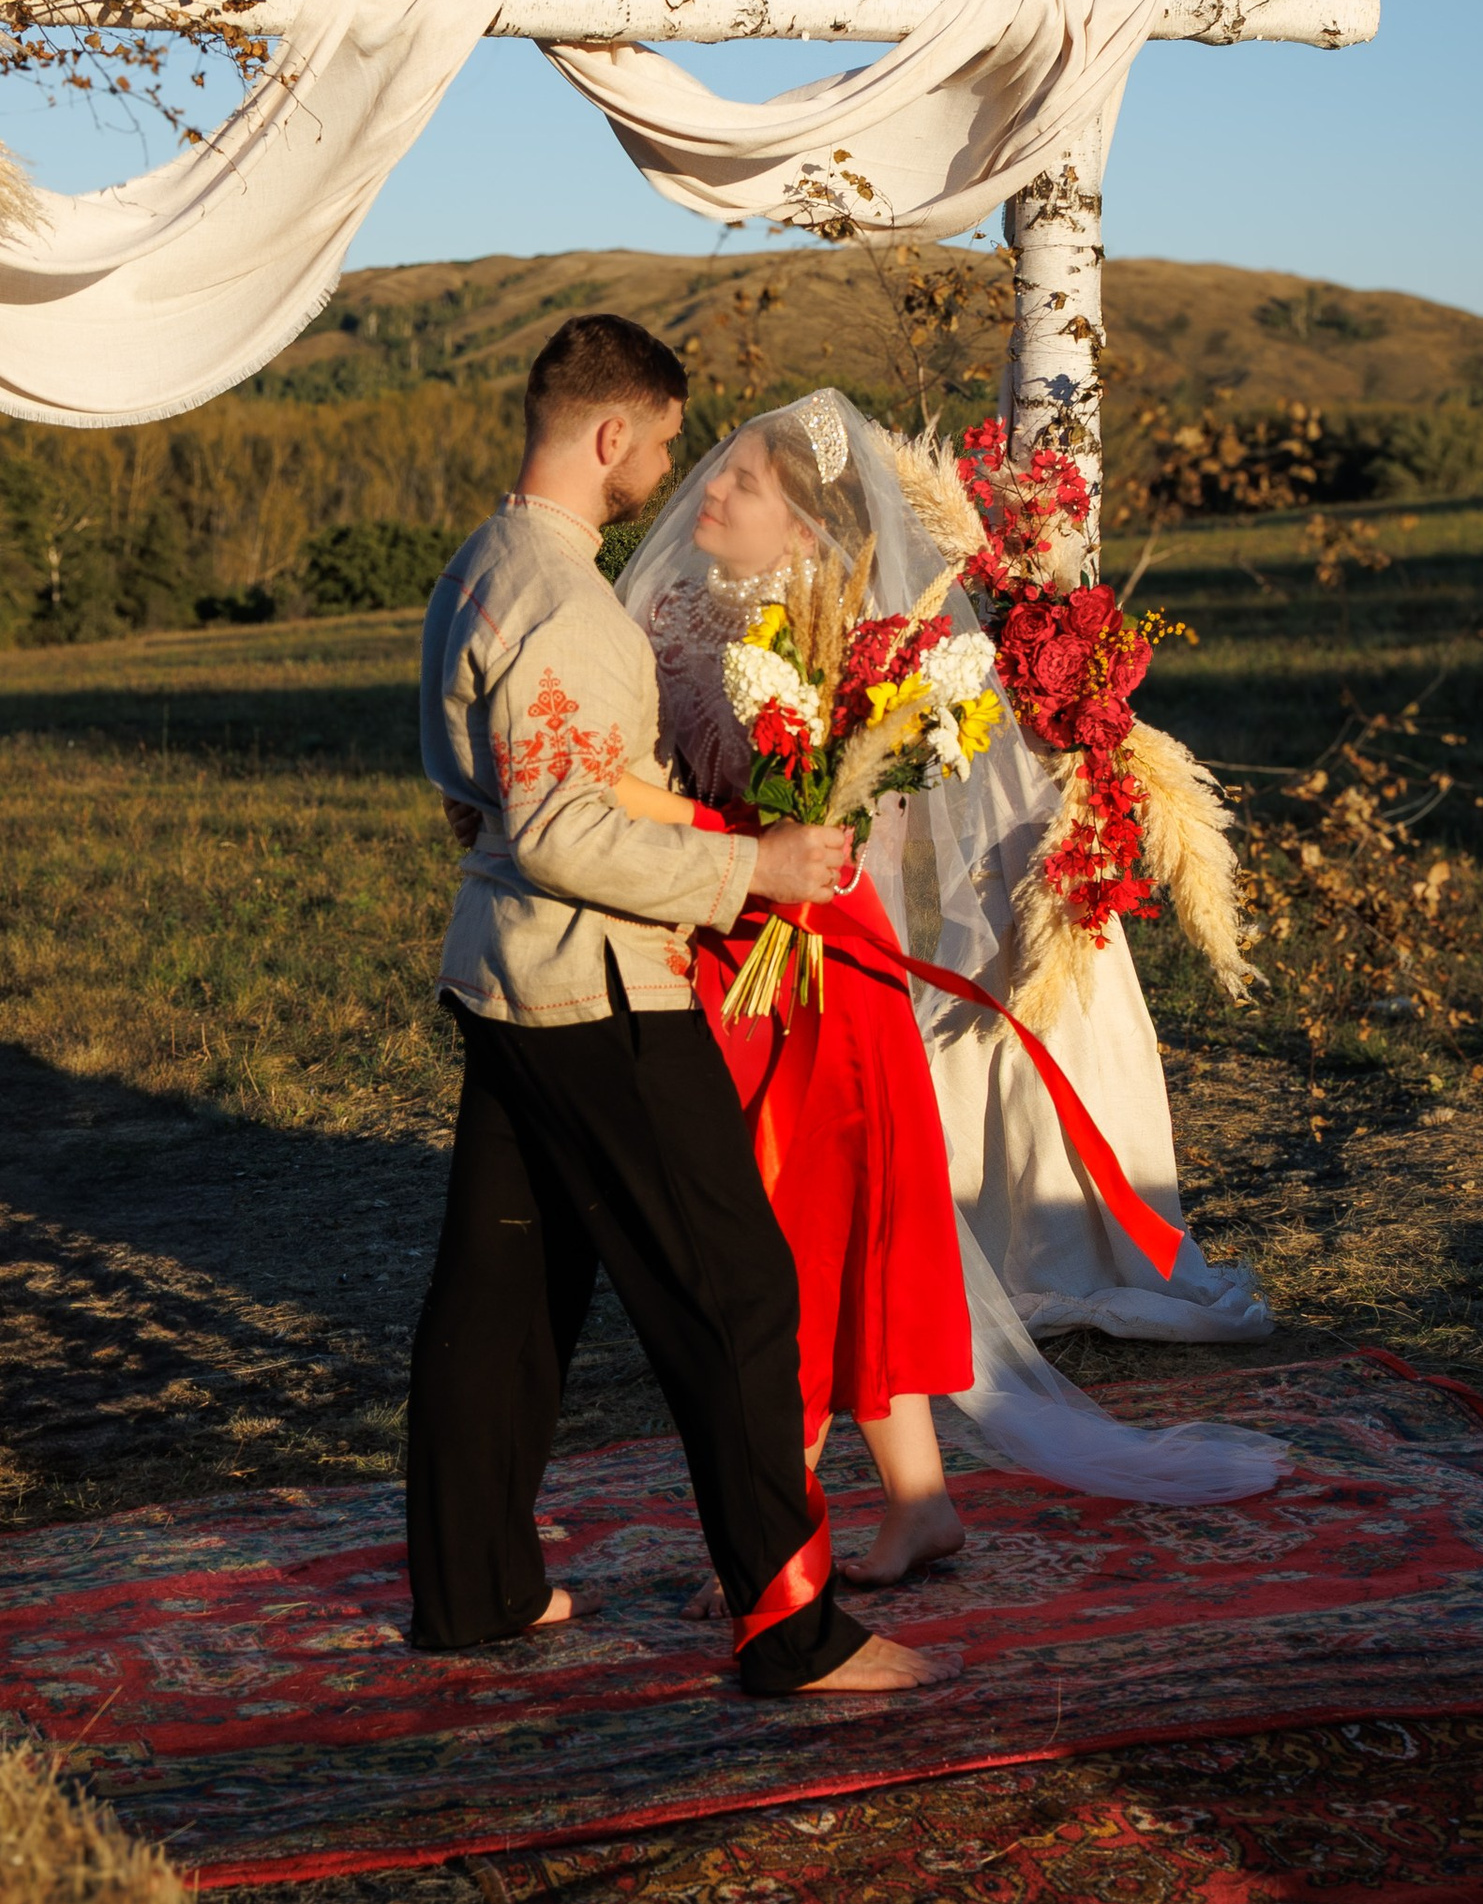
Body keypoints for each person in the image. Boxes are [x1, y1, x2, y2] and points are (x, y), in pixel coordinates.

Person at [411, 314, 957, 1701]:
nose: (667, 466)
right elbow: (556, 826)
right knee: (735, 1289)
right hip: (595, 987)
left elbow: (468, 782)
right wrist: (752, 865)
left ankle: (475, 1586)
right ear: (610, 434)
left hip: (500, 971)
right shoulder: (571, 611)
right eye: (660, 441)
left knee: (505, 1288)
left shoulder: (481, 569)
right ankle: (792, 1628)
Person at [619, 390, 1284, 1517]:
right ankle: (918, 1509)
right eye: (717, 469)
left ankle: (786, 1521)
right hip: (734, 953)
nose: (710, 490)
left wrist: (725, 817)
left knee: (804, 1239)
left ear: (809, 530)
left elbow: (850, 825)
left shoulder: (847, 645)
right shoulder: (677, 617)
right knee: (806, 1235)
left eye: (742, 481)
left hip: (817, 960)